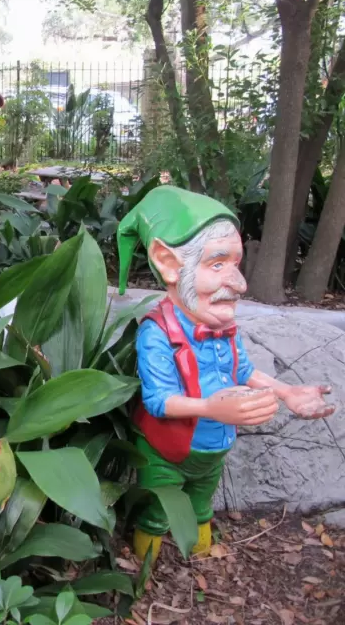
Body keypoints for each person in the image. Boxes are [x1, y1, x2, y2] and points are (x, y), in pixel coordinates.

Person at [117, 186, 335, 566]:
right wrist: (211, 408)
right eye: (217, 264)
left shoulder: (224, 328)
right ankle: (144, 576)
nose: (238, 283)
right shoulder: (158, 332)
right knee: (155, 514)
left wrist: (286, 391)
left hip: (214, 451)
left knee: (202, 508)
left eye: (235, 264)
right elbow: (157, 400)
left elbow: (244, 371)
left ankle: (198, 559)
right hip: (167, 451)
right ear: (169, 264)